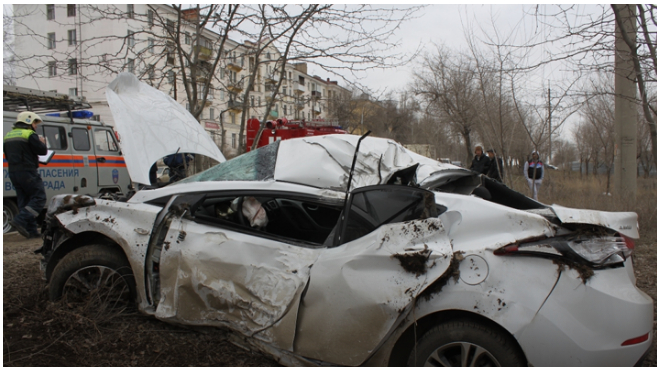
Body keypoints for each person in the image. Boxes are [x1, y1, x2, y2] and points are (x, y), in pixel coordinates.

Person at [3, 111, 48, 238]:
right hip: (28, 171)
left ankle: (31, 232)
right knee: (39, 198)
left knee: (24, 201)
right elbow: (43, 151)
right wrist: (42, 142)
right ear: (29, 121)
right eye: (35, 123)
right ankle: (19, 220)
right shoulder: (29, 134)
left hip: (13, 172)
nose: (36, 126)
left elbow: (7, 154)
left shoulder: (8, 135)